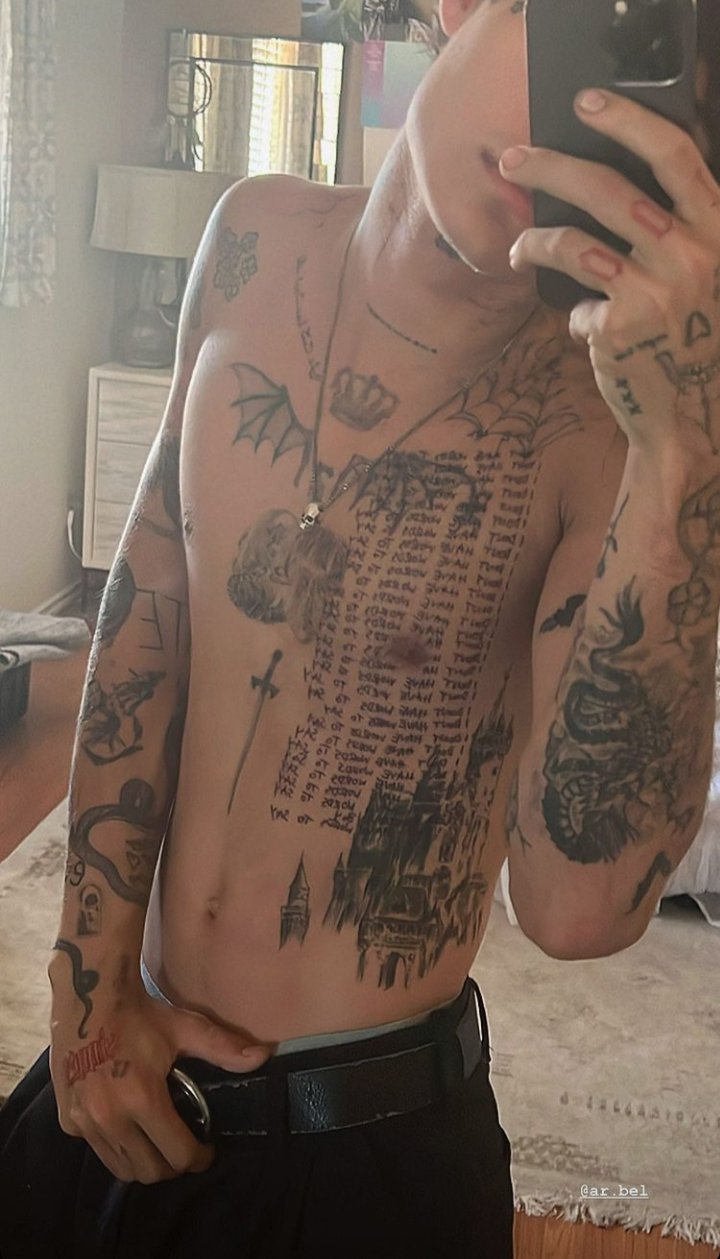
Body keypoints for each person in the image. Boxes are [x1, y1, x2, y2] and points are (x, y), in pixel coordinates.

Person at [0, 1, 717, 1256]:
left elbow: (577, 907)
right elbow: (149, 611)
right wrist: (85, 983)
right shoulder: (251, 233)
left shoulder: (603, 419)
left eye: (675, 107)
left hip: (368, 1156)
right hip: (120, 1064)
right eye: (596, 48)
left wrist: (682, 456)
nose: (582, 141)